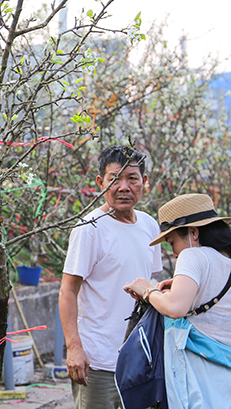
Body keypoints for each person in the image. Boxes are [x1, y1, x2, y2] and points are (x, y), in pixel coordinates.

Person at [58, 145, 163, 409]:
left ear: (144, 182)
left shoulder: (150, 226)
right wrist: (74, 348)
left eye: (132, 178)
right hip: (98, 361)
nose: (123, 186)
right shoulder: (89, 228)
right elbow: (67, 291)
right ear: (100, 182)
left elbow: (149, 288)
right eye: (114, 178)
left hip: (140, 357)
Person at [123, 193, 231, 408]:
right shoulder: (226, 261)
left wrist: (147, 290)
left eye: (172, 242)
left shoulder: (193, 256)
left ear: (193, 232)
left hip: (201, 375)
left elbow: (175, 308)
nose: (174, 254)